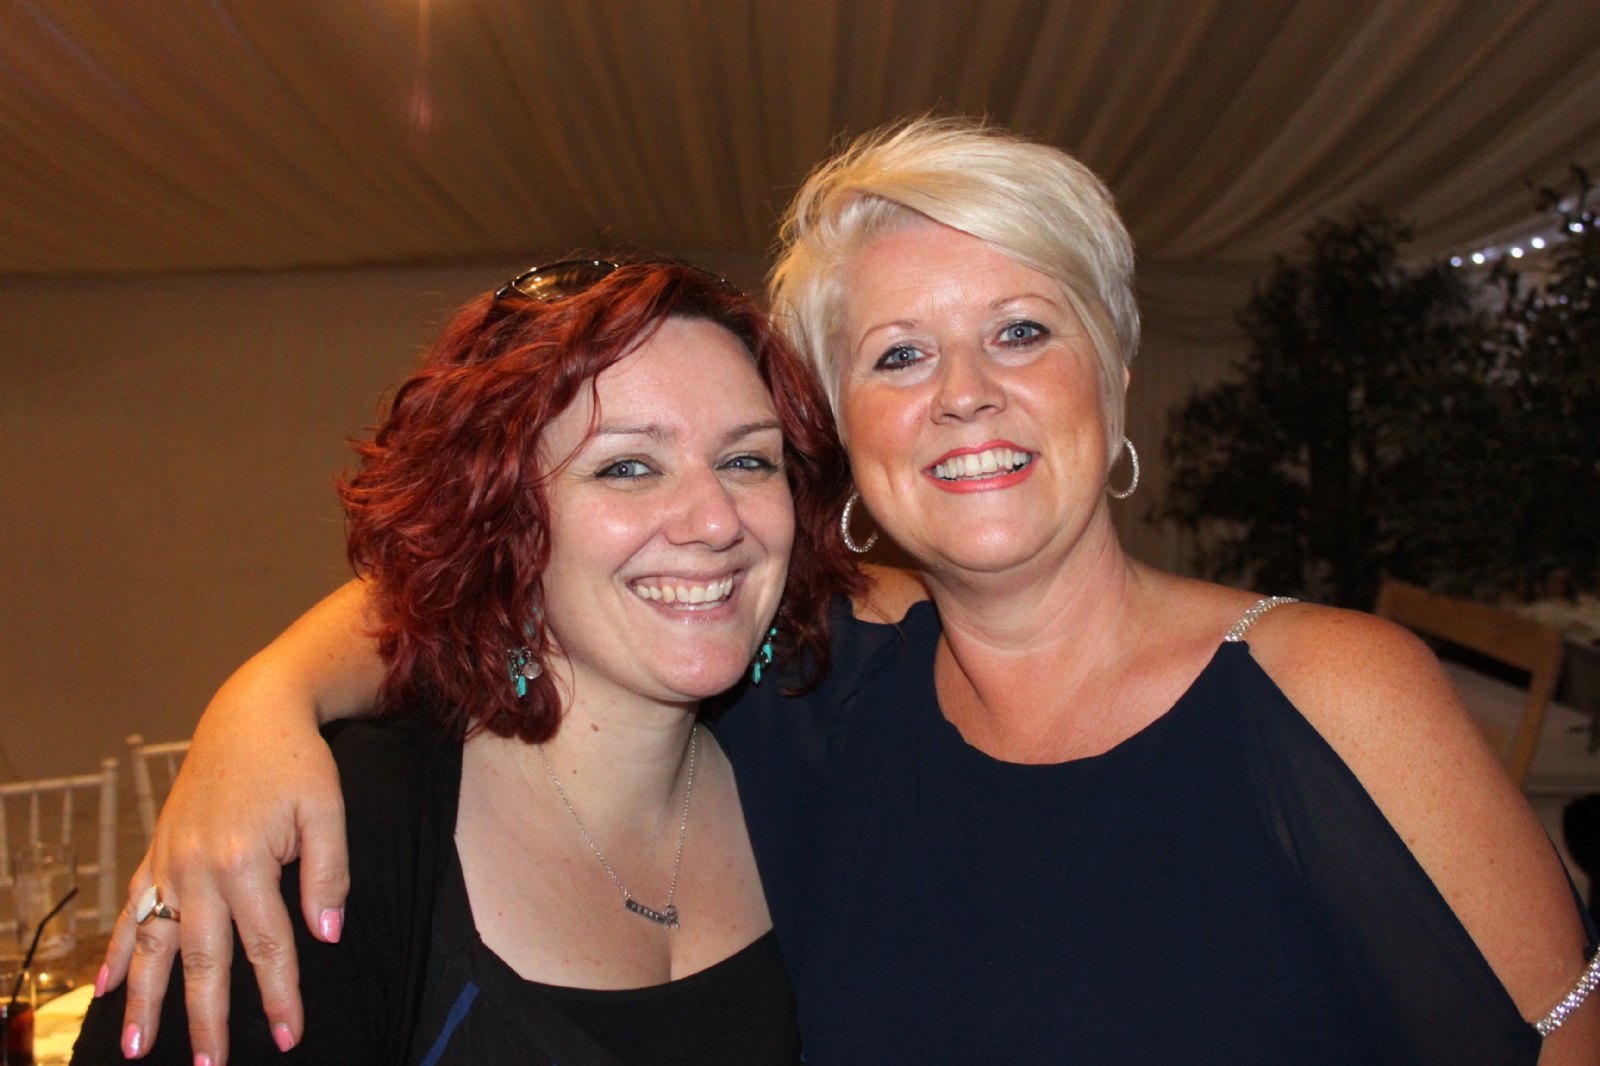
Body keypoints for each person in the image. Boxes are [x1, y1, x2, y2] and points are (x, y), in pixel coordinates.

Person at [102, 120, 1600, 1064]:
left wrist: (261, 695)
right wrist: (264, 702)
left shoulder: (1326, 693)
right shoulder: (819, 681)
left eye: (1023, 329)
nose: (964, 393)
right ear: (842, 433)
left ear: (1116, 370)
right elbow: (551, 586)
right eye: (897, 354)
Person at [75, 259, 867, 1064]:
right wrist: (262, 696)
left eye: (747, 460)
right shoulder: (337, 838)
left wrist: (271, 684)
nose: (716, 520)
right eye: (627, 467)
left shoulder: (822, 767)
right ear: (502, 515)